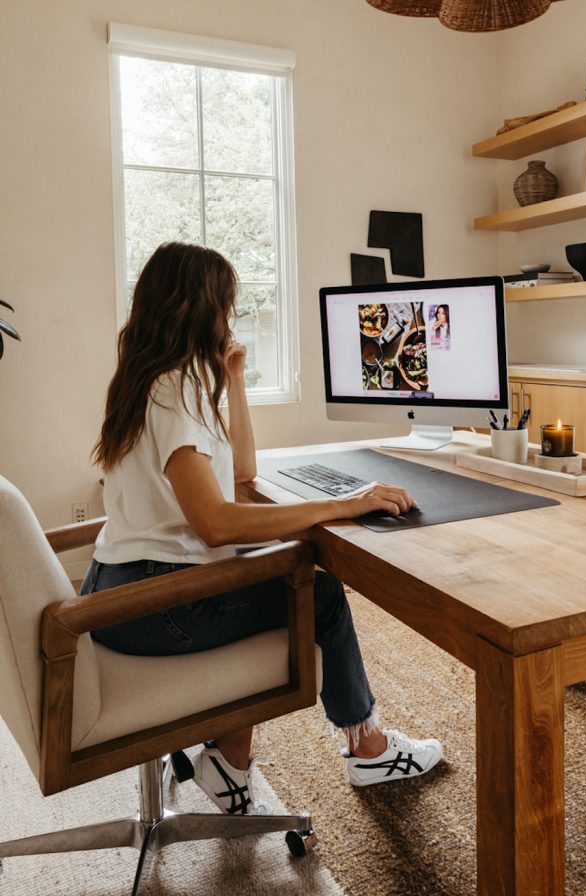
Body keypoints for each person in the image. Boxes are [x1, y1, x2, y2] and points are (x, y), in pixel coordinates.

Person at [83, 242, 443, 815]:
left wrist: (236, 378)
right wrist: (342, 505)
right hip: (153, 604)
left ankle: (228, 763)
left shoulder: (153, 380)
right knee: (317, 593)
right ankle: (368, 748)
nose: (231, 316)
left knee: (263, 575)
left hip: (119, 591)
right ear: (198, 307)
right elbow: (217, 524)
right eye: (225, 304)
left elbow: (242, 472)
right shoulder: (174, 390)